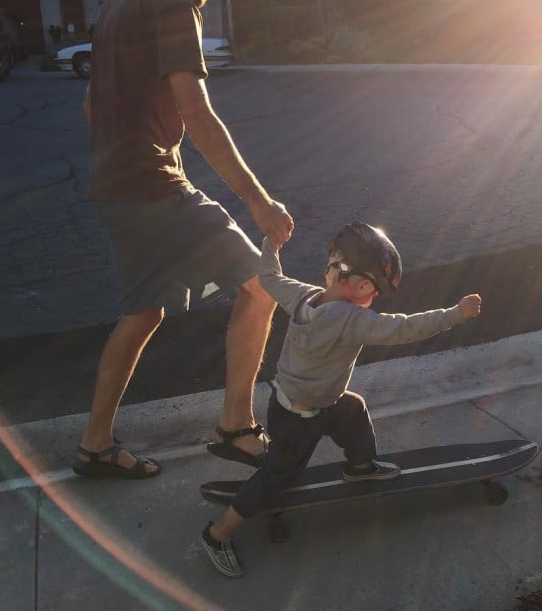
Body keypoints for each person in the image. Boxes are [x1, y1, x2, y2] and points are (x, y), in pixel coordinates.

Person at [73, 0, 294, 480]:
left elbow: (91, 105)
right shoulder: (171, 4)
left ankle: (95, 445)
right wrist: (258, 200)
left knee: (142, 312)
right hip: (152, 184)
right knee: (262, 287)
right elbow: (199, 115)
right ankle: (237, 428)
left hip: (114, 187)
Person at [201, 222, 482, 577]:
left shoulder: (302, 295)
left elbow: (269, 277)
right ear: (361, 285)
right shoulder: (352, 319)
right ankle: (217, 534)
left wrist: (270, 244)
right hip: (298, 420)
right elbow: (405, 328)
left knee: (353, 409)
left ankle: (360, 466)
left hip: (311, 403)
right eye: (375, 290)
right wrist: (456, 314)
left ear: (331, 272)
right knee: (276, 480)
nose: (374, 298)